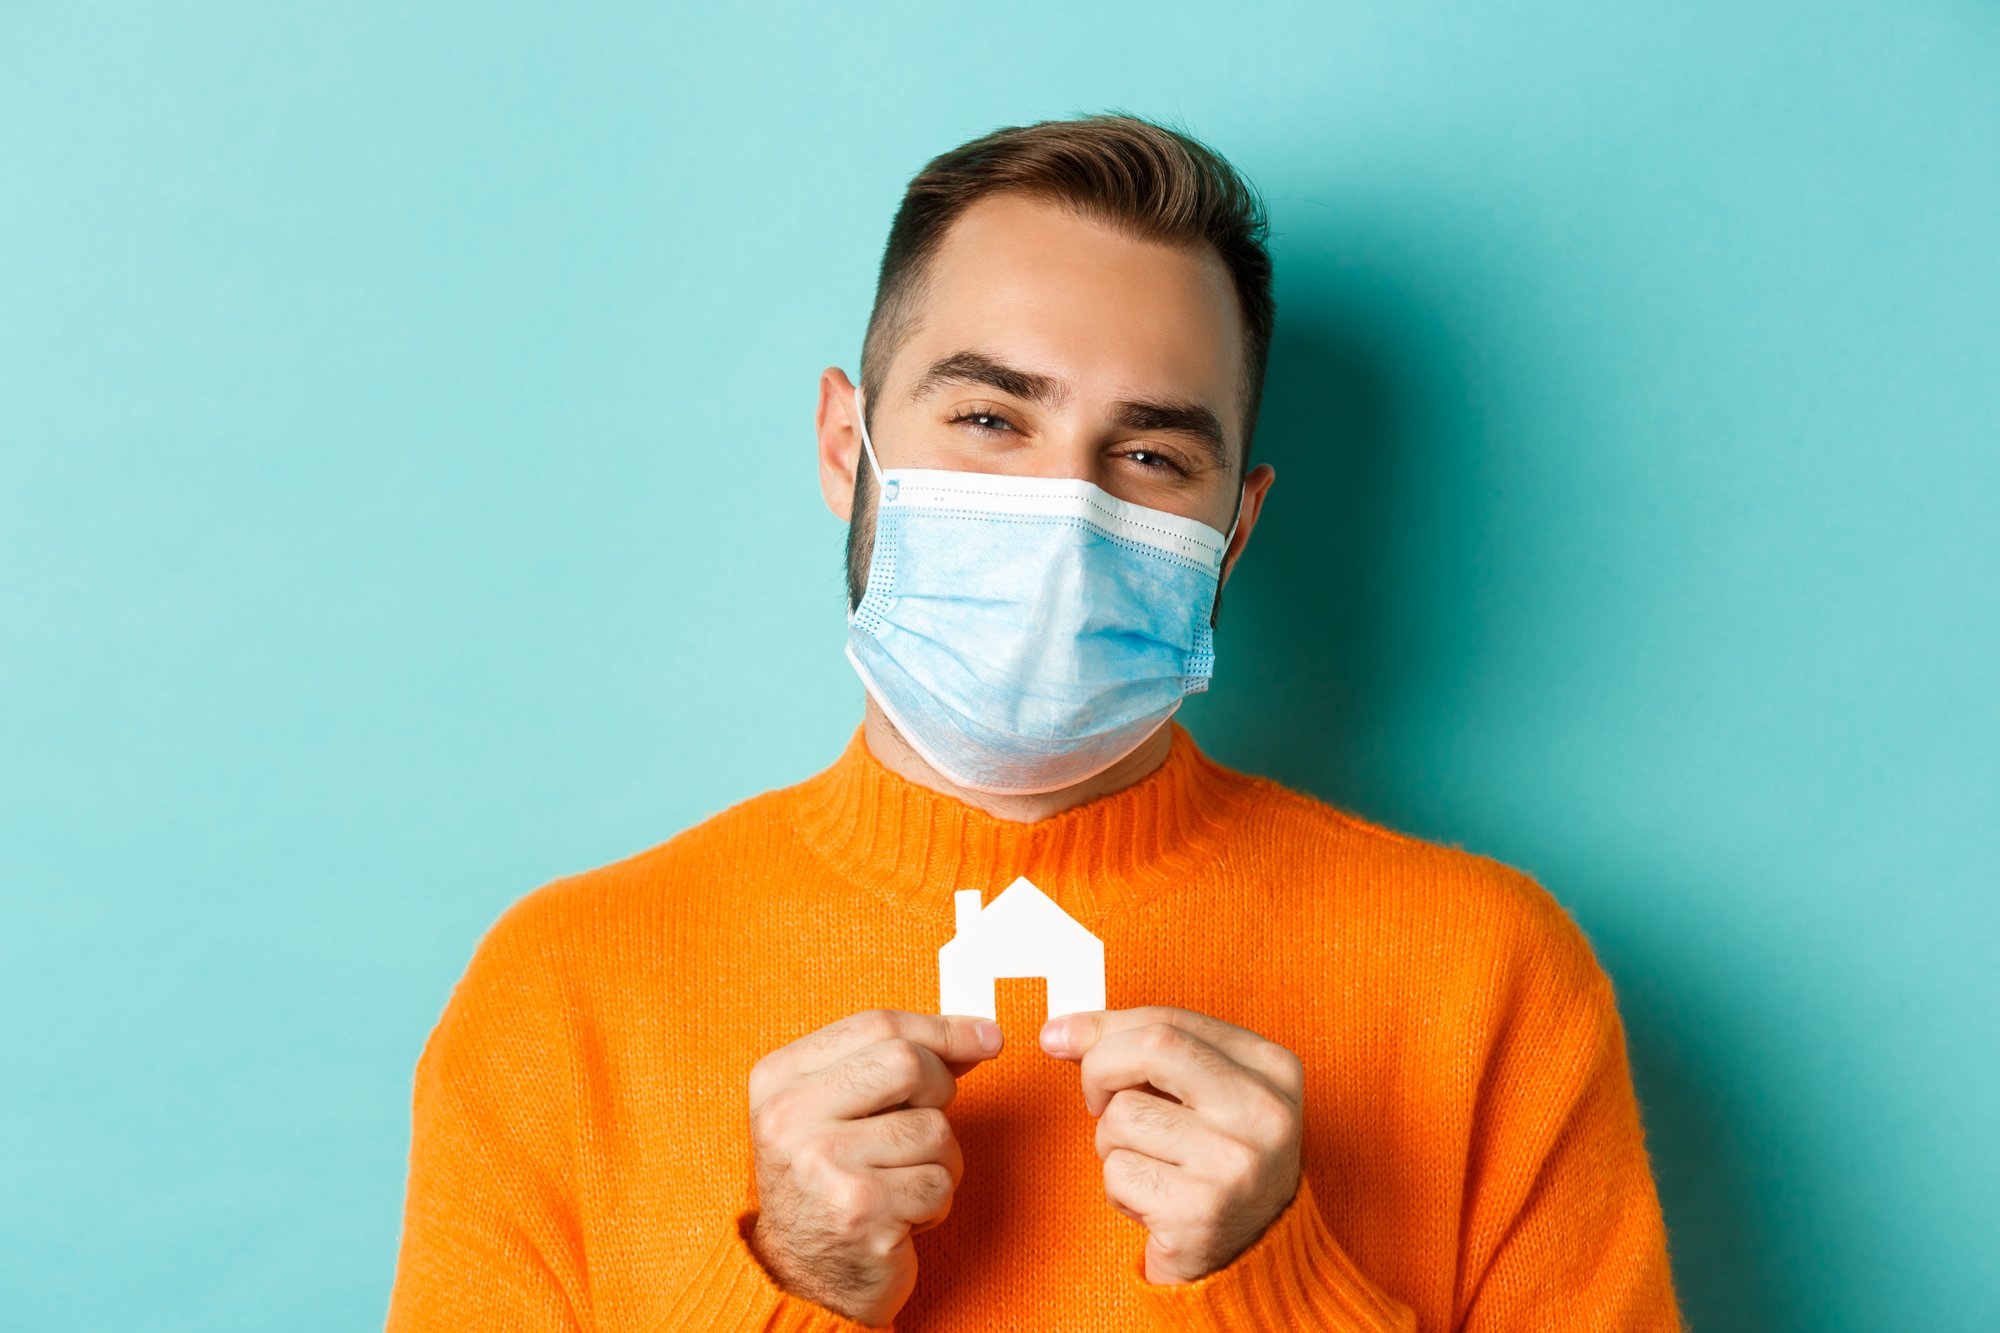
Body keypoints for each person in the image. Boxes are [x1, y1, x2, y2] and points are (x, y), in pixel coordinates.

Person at [386, 112, 1683, 1332]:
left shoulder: (1493, 983)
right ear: (848, 445)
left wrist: (1274, 1284)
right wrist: (796, 1284)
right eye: (991, 418)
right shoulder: (560, 997)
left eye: (1153, 456)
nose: (1062, 514)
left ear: (1234, 531)